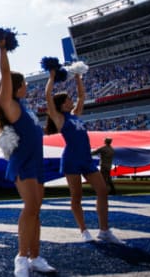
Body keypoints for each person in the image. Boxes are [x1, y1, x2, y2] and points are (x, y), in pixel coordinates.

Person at [0, 41, 55, 276]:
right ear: (16, 87)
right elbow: (5, 74)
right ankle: (21, 258)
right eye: (25, 83)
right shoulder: (10, 106)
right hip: (23, 162)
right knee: (30, 207)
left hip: (36, 162)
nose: (27, 86)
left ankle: (35, 256)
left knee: (36, 210)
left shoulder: (25, 107)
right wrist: (2, 50)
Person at [45, 71, 122, 244]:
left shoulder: (75, 114)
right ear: (62, 104)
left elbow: (81, 96)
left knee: (102, 190)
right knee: (76, 196)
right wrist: (51, 77)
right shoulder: (59, 118)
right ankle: (84, 230)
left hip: (86, 159)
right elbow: (48, 98)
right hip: (71, 159)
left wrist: (78, 76)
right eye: (68, 99)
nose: (71, 101)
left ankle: (104, 230)